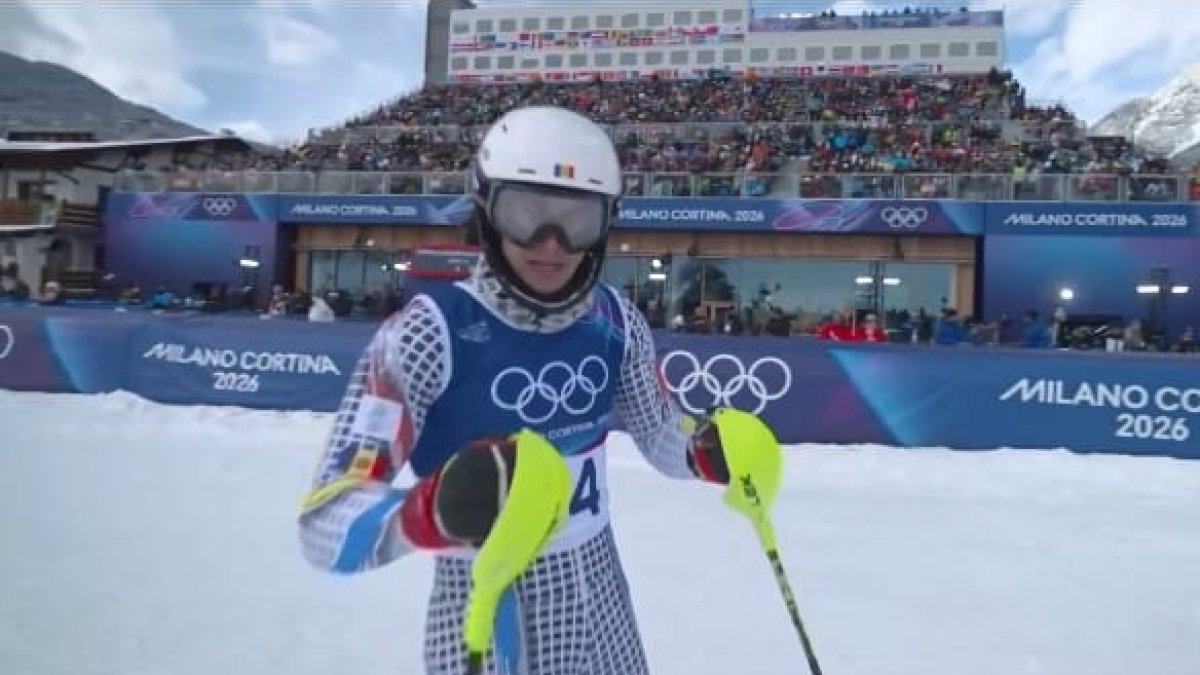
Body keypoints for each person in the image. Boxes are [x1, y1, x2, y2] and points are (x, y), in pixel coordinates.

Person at [297, 105, 748, 675]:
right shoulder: (426, 334)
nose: (552, 244)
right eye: (525, 213)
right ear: (487, 209)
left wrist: (702, 449)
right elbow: (325, 521)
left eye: (576, 219)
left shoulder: (615, 319)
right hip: (490, 617)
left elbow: (659, 429)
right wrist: (428, 511)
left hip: (603, 609)